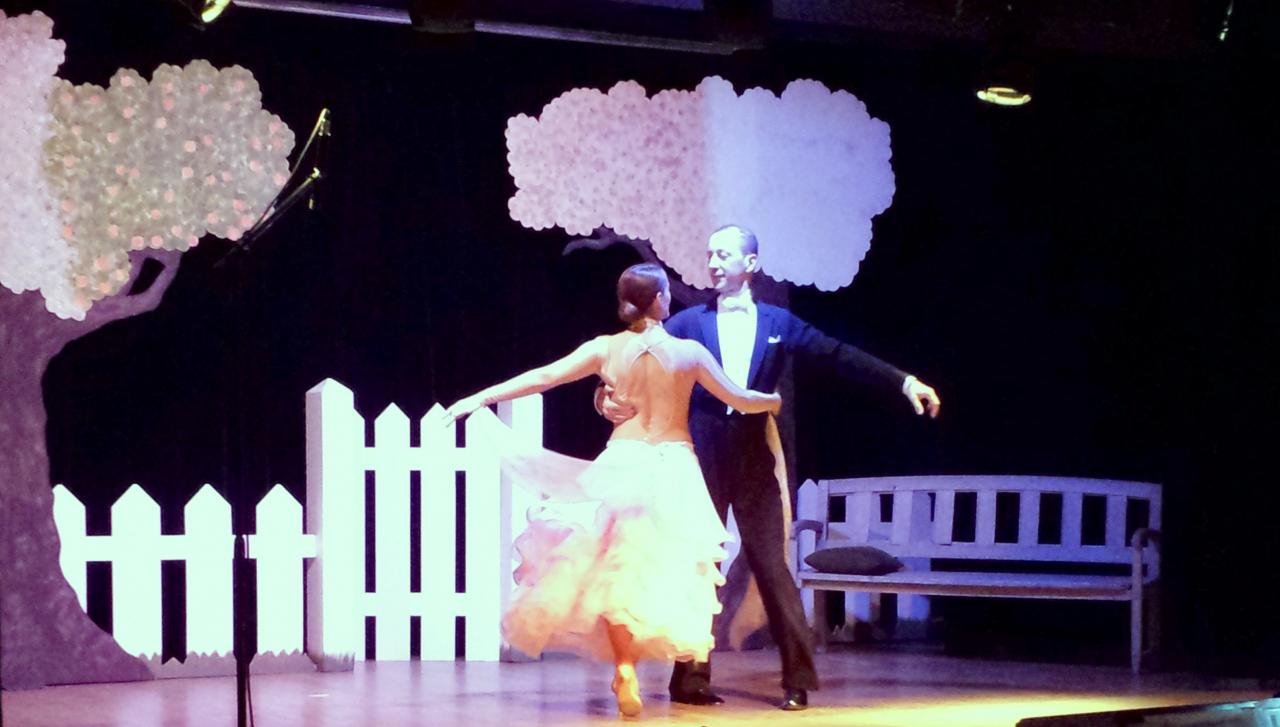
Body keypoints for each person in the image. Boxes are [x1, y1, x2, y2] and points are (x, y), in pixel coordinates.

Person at [597, 225, 941, 711]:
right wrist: (604, 399)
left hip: (752, 458)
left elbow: (837, 354)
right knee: (700, 565)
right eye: (710, 254)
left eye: (724, 254)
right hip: (700, 456)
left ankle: (797, 678)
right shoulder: (688, 323)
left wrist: (903, 382)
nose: (713, 263)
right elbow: (631, 362)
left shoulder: (779, 321)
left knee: (772, 565)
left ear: (751, 264)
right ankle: (689, 677)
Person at [442, 262, 782, 718]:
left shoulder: (605, 349)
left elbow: (545, 376)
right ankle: (636, 664)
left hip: (624, 463)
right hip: (673, 468)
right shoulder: (688, 353)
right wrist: (772, 400)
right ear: (659, 299)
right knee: (665, 569)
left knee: (616, 568)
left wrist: (480, 397)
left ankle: (625, 667)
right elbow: (739, 398)